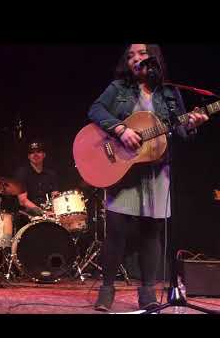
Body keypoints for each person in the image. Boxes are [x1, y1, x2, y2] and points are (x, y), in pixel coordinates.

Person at [88, 43, 209, 311]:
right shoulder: (118, 88)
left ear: (153, 58)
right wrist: (120, 129)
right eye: (130, 55)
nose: (136, 59)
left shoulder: (170, 92)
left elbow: (179, 132)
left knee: (151, 232)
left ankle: (148, 294)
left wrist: (191, 125)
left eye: (141, 53)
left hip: (157, 170)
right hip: (123, 168)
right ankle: (106, 291)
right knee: (117, 231)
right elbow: (95, 111)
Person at [14, 141, 60, 219]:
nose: (35, 155)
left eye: (38, 152)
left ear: (44, 155)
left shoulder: (51, 174)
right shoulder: (22, 173)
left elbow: (55, 196)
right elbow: (23, 201)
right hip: (28, 215)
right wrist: (43, 212)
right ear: (28, 156)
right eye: (32, 153)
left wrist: (55, 209)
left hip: (48, 214)